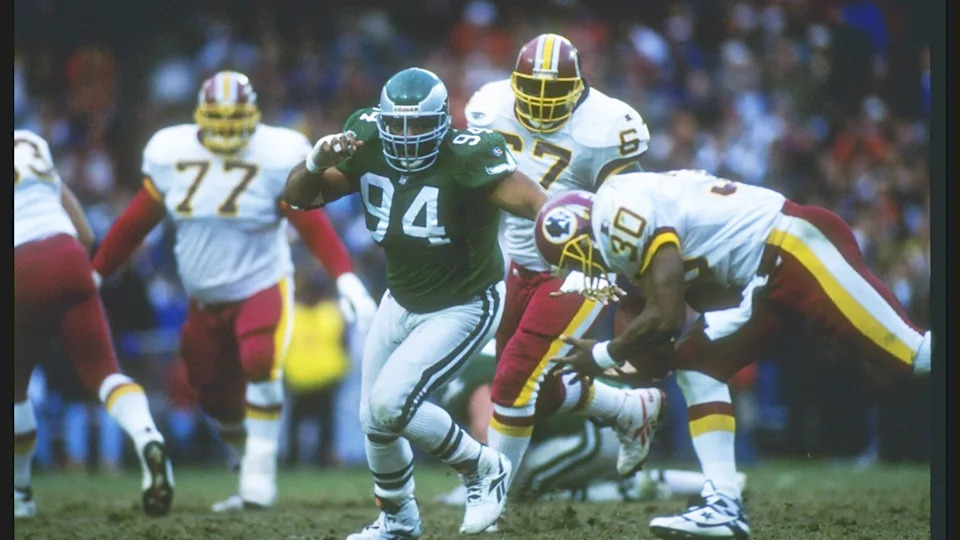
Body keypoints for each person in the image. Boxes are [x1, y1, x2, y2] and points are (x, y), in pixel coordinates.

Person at [533, 169, 933, 539]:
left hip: (795, 246)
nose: (582, 266)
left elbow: (669, 318)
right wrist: (640, 347)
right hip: (763, 276)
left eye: (575, 254)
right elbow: (689, 311)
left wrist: (605, 355)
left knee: (915, 355)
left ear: (586, 227)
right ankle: (722, 503)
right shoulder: (630, 209)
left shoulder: (616, 216)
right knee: (698, 363)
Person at [90, 71, 378, 513]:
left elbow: (311, 223)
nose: (226, 130)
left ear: (254, 115)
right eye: (218, 120)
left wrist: (345, 277)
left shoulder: (276, 152)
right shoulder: (171, 151)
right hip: (203, 298)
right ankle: (246, 461)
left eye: (234, 120)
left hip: (260, 281)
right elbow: (134, 223)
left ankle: (259, 480)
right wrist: (94, 273)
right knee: (210, 390)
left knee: (260, 360)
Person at [282, 66, 549, 538]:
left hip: (464, 302)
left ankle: (484, 467)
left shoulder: (468, 155)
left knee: (391, 403)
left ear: (442, 122)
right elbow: (299, 198)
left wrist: (573, 234)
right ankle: (398, 520)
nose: (406, 137)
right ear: (382, 120)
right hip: (401, 296)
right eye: (397, 125)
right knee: (374, 420)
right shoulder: (365, 140)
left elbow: (536, 202)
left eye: (418, 125)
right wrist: (314, 161)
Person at [462, 32, 663, 494]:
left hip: (582, 269)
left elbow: (631, 207)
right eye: (532, 88)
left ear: (577, 86)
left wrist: (631, 277)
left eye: (553, 90)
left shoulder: (607, 125)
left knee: (514, 380)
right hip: (515, 262)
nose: (541, 100)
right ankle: (628, 410)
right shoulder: (490, 106)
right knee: (538, 389)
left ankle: (493, 497)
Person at [14, 129, 174, 518]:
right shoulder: (31, 142)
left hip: (21, 262)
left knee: (14, 390)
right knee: (106, 373)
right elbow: (85, 234)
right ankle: (147, 436)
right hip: (69, 253)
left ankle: (19, 495)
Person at [432, 338, 747, 506]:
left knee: (513, 490)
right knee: (536, 480)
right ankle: (714, 484)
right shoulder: (492, 349)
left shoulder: (474, 364)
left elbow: (488, 427)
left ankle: (627, 491)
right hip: (610, 425)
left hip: (593, 431)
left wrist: (476, 487)